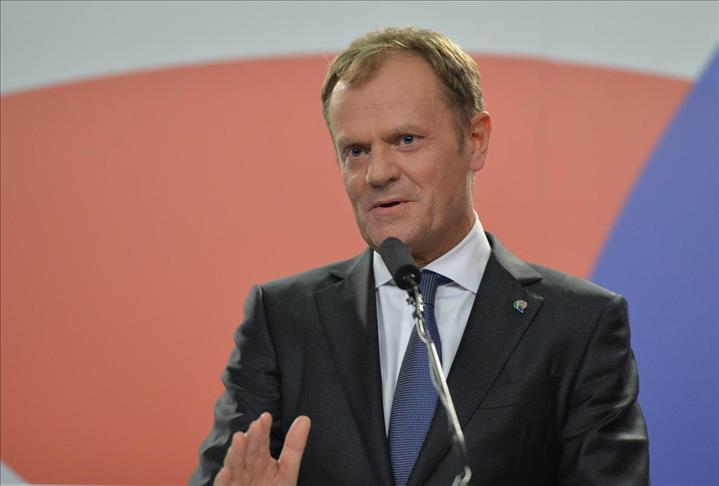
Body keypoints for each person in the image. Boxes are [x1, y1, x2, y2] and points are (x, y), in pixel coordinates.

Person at [190, 27, 649, 486]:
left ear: (475, 139)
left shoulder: (579, 325)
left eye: (406, 139)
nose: (377, 173)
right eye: (356, 150)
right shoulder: (282, 318)